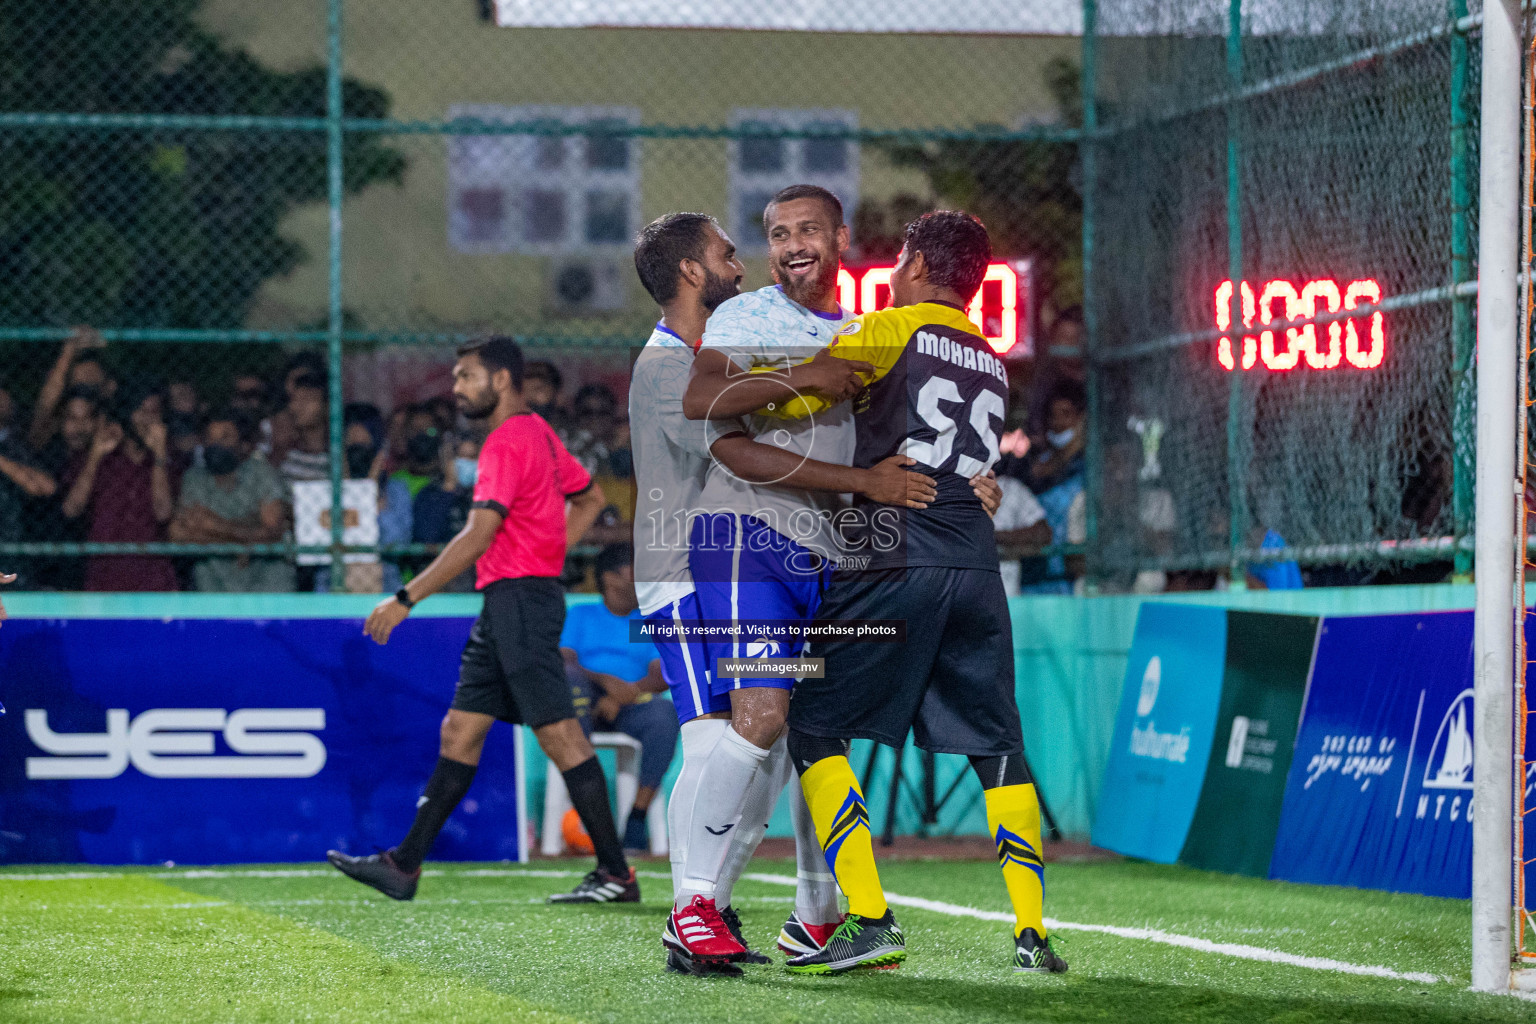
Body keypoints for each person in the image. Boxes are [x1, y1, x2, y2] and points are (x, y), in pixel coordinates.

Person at [762, 211, 1068, 974]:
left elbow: (795, 400)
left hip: (891, 551)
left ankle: (870, 919)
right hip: (973, 559)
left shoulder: (887, 328)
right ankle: (1032, 935)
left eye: (901, 258)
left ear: (923, 264)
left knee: (810, 722)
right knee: (997, 745)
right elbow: (973, 467)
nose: (893, 270)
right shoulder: (992, 358)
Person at [327, 336, 630, 906]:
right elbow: (587, 498)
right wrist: (549, 550)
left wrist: (404, 598)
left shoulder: (505, 441)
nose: (456, 387)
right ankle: (404, 866)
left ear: (501, 380)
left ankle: (615, 872)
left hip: (520, 603)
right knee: (459, 733)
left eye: (466, 376)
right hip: (510, 603)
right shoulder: (538, 432)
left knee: (562, 737)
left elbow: (478, 534)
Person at [560, 543, 676, 852]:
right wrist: (604, 682)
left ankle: (637, 818)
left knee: (665, 715)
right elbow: (565, 660)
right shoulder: (582, 615)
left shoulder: (646, 623)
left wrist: (626, 694)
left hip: (630, 702)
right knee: (573, 685)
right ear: (611, 578)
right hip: (585, 697)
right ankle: (588, 810)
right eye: (637, 570)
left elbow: (660, 674)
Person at [59, 390, 178, 592]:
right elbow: (71, 509)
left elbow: (163, 512)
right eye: (142, 412)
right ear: (128, 414)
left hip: (153, 575)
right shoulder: (99, 459)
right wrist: (96, 456)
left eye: (155, 413)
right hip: (104, 574)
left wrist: (159, 455)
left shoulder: (169, 460)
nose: (148, 420)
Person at [168, 410, 292, 593]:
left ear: (244, 445)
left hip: (266, 585)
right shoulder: (194, 478)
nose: (216, 445)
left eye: (225, 438)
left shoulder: (262, 473)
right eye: (211, 438)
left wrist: (213, 525)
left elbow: (273, 530)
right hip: (213, 586)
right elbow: (178, 534)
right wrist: (245, 538)